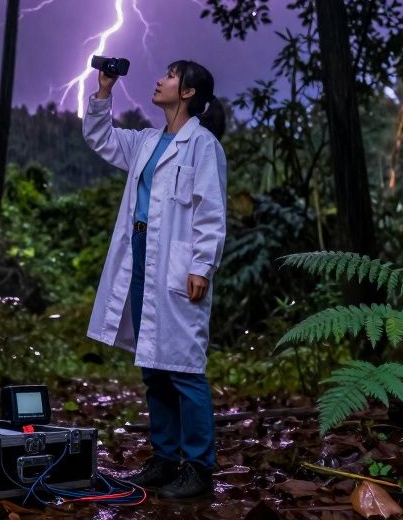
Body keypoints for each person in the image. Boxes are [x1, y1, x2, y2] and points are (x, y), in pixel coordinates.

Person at [82, 59, 228, 501]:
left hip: (178, 265)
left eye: (169, 75)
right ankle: (165, 459)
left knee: (184, 367)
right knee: (153, 368)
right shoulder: (146, 142)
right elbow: (100, 138)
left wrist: (201, 266)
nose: (159, 79)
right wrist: (103, 91)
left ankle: (199, 468)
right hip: (141, 256)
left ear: (186, 92)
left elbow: (211, 211)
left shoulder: (203, 145)